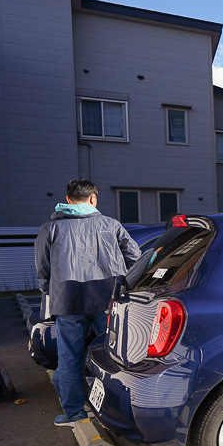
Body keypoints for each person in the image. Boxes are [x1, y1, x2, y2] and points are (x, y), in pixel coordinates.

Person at [34, 179, 141, 426]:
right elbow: (135, 258)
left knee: (70, 358)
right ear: (93, 199)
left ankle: (74, 414)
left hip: (68, 302)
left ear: (68, 199)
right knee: (114, 356)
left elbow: (43, 269)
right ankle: (114, 410)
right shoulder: (111, 225)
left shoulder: (50, 228)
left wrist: (51, 292)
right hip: (108, 300)